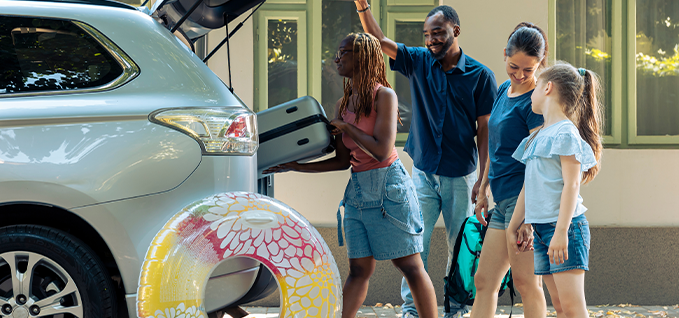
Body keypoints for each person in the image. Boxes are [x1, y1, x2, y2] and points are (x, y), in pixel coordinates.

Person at [264, 33, 438, 318]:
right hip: (357, 192)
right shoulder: (342, 105)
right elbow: (341, 162)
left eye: (344, 53)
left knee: (409, 266)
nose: (336, 58)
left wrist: (347, 128)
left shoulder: (385, 95)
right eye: (338, 52)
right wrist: (295, 165)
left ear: (363, 57)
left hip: (389, 190)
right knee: (359, 269)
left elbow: (382, 150)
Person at [351, 2, 497, 317]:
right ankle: (412, 310)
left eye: (438, 33)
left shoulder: (481, 76)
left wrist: (484, 182)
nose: (431, 39)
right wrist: (363, 6)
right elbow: (378, 42)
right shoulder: (418, 61)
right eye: (427, 34)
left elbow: (484, 133)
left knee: (461, 248)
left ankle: (455, 308)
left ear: (455, 31)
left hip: (461, 176)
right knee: (414, 245)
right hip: (423, 173)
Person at [508, 62, 602, 318]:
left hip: (565, 229)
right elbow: (530, 186)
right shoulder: (536, 136)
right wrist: (514, 225)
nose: (532, 91)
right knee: (559, 307)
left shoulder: (566, 133)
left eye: (536, 85)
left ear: (547, 87)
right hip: (541, 231)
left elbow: (572, 184)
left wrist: (560, 231)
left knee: (572, 309)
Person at [472, 23, 549, 318]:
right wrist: (483, 188)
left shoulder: (536, 103)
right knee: (484, 281)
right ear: (504, 54)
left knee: (527, 284)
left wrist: (529, 216)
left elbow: (539, 161)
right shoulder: (504, 90)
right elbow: (495, 143)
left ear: (539, 65)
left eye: (528, 70)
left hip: (523, 202)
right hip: (502, 202)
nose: (519, 75)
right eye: (514, 66)